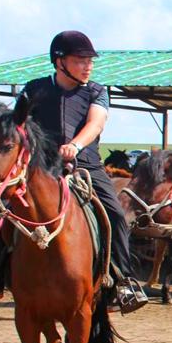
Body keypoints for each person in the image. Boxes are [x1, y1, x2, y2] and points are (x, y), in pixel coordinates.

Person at [18, 31, 148, 313]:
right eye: (80, 60)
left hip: (86, 165)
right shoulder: (32, 90)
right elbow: (17, 127)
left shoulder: (97, 91)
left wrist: (75, 146)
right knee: (3, 211)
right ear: (59, 61)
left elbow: (96, 123)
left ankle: (123, 282)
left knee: (116, 215)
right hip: (40, 169)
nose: (88, 66)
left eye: (90, 61)